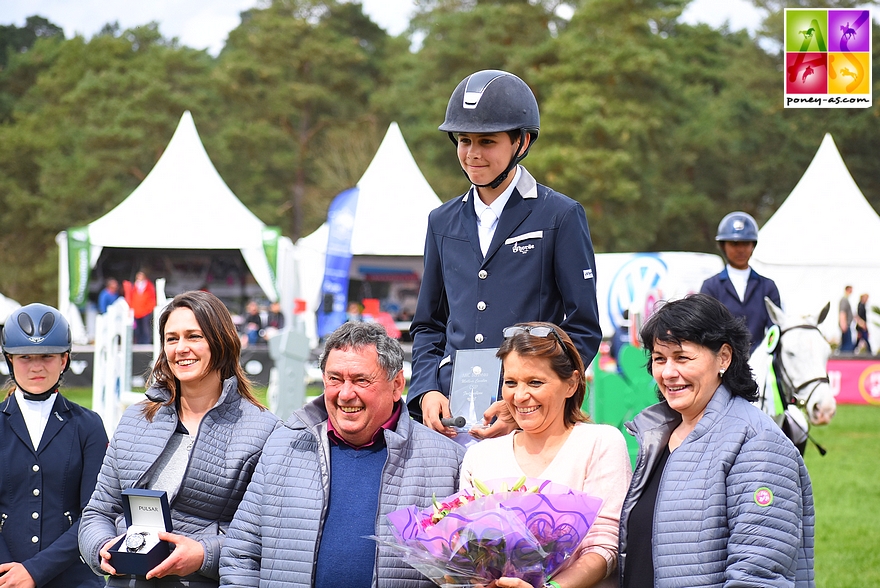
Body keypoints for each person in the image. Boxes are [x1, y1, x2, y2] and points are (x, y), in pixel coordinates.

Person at [410, 69, 601, 440]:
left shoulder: (559, 215)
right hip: (450, 418)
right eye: (464, 141)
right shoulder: (441, 221)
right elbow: (428, 324)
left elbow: (583, 327)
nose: (472, 154)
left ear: (522, 141)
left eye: (487, 141)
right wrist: (425, 389)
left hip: (527, 419)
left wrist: (525, 400)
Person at [219, 321, 464, 587]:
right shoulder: (283, 445)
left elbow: (463, 572)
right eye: (335, 379)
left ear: (396, 385)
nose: (346, 394)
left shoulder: (447, 462)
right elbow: (241, 553)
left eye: (361, 380)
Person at [78, 291, 279, 587]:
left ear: (220, 342)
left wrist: (203, 554)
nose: (181, 348)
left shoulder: (264, 431)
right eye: (172, 339)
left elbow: (266, 534)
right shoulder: (135, 419)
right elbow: (98, 511)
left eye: (193, 336)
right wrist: (101, 548)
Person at [618, 294, 814, 587]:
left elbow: (758, 577)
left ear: (723, 357)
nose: (668, 372)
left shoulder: (758, 444)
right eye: (660, 359)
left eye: (682, 357)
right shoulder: (657, 435)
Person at [460, 322, 631, 588]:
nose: (520, 396)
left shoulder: (600, 443)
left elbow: (605, 546)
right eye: (510, 382)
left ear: (572, 383)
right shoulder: (479, 457)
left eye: (535, 382)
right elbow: (467, 550)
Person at [0, 303, 108, 588]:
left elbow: (94, 513)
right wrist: (9, 573)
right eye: (25, 357)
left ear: (64, 360)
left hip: (72, 575)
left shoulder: (89, 425)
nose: (36, 366)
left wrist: (35, 572)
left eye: (47, 356)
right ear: (10, 359)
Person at [700, 211, 781, 355]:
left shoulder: (767, 287)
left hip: (760, 364)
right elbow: (706, 329)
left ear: (753, 245)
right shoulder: (711, 287)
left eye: (746, 243)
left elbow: (775, 328)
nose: (741, 249)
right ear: (723, 246)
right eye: (735, 243)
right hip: (723, 363)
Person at [123, 271, 157, 345]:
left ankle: (146, 342)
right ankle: (139, 342)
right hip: (136, 311)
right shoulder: (134, 286)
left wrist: (149, 308)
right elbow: (131, 298)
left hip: (145, 311)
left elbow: (152, 298)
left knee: (145, 328)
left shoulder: (148, 286)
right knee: (137, 329)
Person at [839, 285, 855, 353]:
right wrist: (843, 324)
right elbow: (842, 312)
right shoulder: (844, 300)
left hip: (847, 325)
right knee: (847, 346)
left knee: (845, 344)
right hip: (846, 325)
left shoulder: (846, 299)